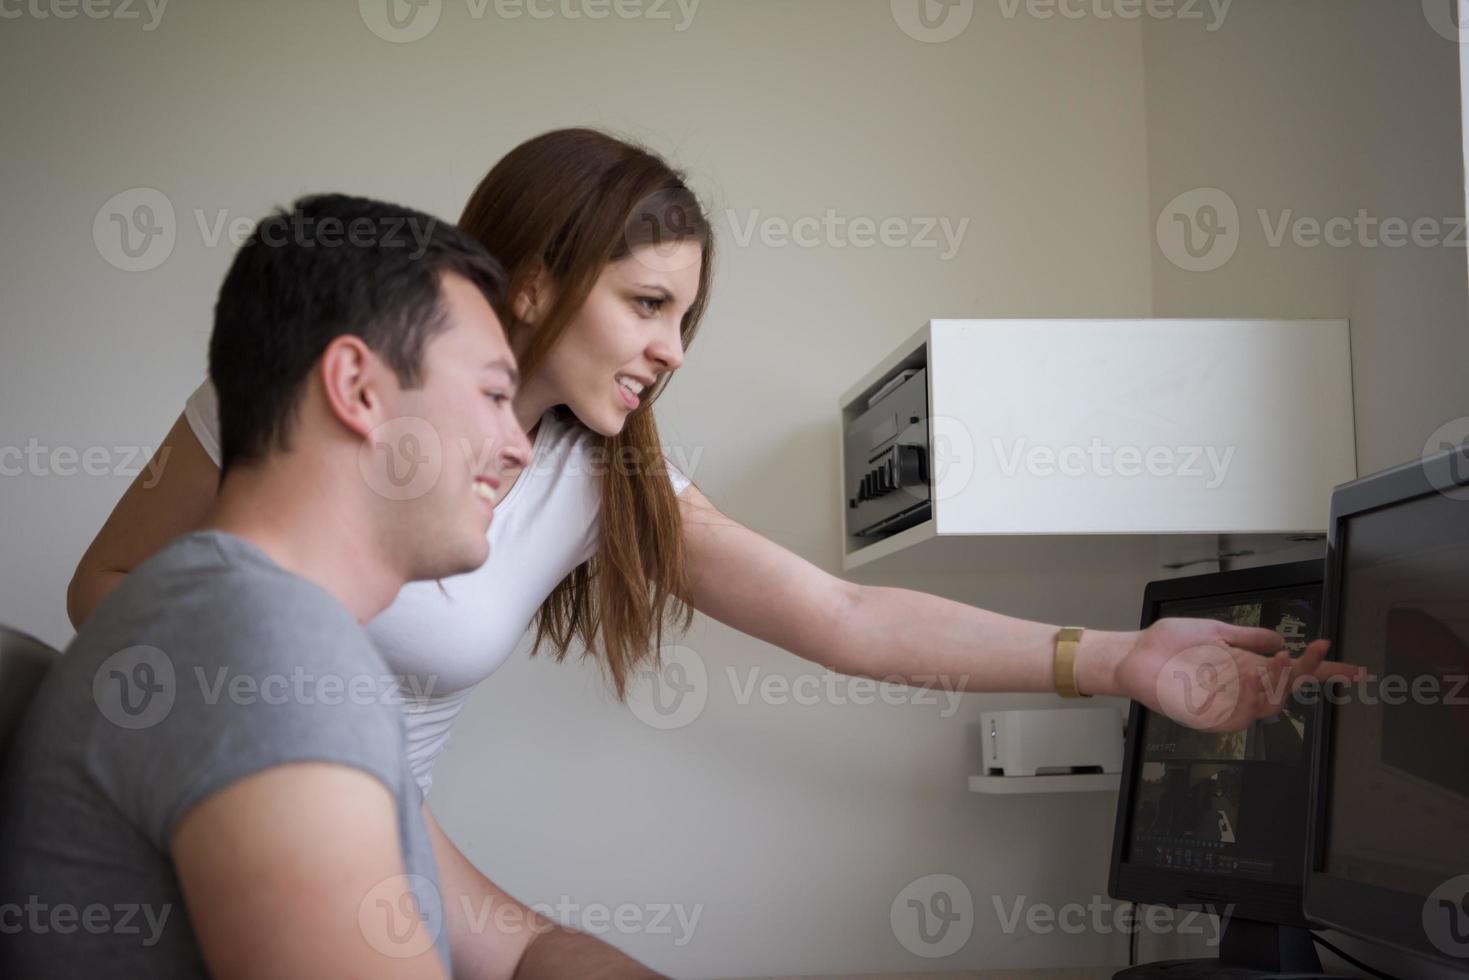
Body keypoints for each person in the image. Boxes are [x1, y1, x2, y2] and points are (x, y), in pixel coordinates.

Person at [65, 128, 1359, 967]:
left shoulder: (592, 474)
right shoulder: (283, 488)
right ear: (528, 283)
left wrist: (1122, 657)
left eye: (686, 316)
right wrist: (286, 718)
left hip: (399, 840)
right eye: (646, 304)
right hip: (285, 814)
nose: (672, 351)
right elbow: (123, 595)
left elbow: (849, 621)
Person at [2, 193, 660, 979]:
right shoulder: (256, 650)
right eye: (492, 395)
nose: (517, 447)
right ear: (356, 387)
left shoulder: (274, 640)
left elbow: (515, 946)